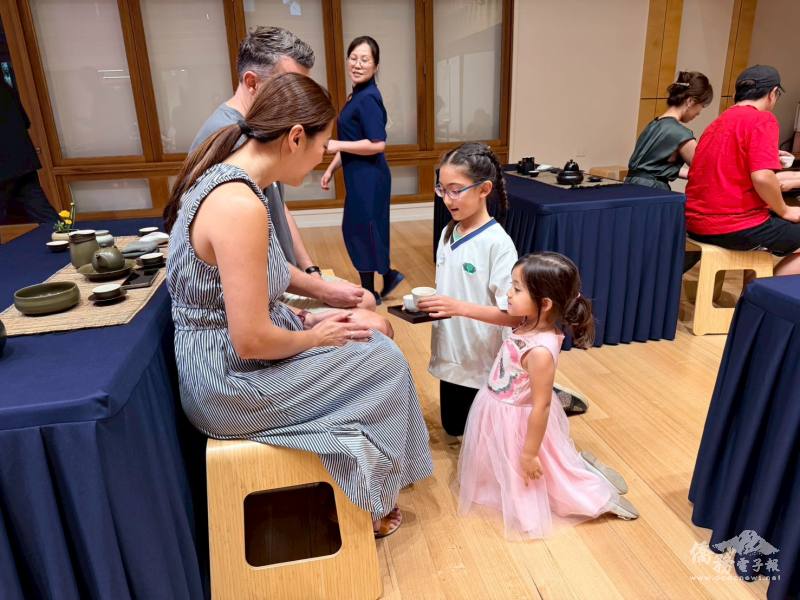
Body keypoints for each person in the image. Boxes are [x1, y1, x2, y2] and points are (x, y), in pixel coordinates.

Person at [164, 72, 433, 537]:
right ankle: (363, 494)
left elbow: (257, 278)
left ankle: (368, 480)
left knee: (370, 333)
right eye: (322, 146)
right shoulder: (238, 204)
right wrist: (315, 336)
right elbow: (250, 341)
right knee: (382, 361)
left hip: (232, 359)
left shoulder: (237, 181)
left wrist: (314, 307)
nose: (322, 157)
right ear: (294, 138)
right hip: (226, 382)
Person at [456, 252, 639, 539]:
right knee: (510, 467)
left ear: (545, 303)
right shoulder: (525, 320)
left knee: (542, 476)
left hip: (520, 418)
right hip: (499, 406)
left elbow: (541, 406)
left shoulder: (540, 351)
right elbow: (498, 316)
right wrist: (459, 307)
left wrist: (530, 453)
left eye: (517, 289)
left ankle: (598, 496)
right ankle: (581, 466)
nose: (509, 293)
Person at [190, 26, 372, 310]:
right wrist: (317, 298)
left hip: (279, 278)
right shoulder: (235, 143)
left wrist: (311, 270)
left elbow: (278, 205)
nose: (300, 100)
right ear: (252, 83)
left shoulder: (263, 133)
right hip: (258, 292)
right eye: (289, 87)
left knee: (365, 304)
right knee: (367, 309)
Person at [416, 143, 589, 439]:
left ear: (484, 189)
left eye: (455, 190)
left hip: (484, 356)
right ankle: (534, 387)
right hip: (453, 349)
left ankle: (543, 391)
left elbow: (515, 316)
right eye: (441, 189)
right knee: (453, 427)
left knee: (487, 432)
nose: (447, 199)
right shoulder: (448, 232)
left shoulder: (497, 244)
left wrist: (458, 307)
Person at [685, 65, 800, 276]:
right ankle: (763, 292)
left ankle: (757, 288)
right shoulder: (762, 119)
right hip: (733, 226)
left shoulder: (717, 123)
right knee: (779, 220)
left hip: (695, 224)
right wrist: (785, 210)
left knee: (768, 224)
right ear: (773, 93)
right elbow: (763, 177)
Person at [321, 36, 405, 305]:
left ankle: (372, 289)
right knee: (364, 228)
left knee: (361, 229)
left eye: (365, 59)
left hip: (370, 176)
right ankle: (386, 277)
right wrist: (332, 168)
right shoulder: (357, 94)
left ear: (376, 65)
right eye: (354, 58)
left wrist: (336, 145)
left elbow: (377, 144)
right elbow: (354, 139)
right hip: (358, 175)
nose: (357, 64)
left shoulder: (368, 97)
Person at [625, 71, 713, 190]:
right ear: (690, 101)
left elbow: (655, 168)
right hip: (652, 191)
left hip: (630, 187)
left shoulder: (653, 125)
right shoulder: (680, 134)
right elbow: (704, 170)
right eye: (701, 106)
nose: (699, 113)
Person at [0, 81, 58, 225]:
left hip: (4, 164)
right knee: (41, 211)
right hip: (22, 159)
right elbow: (25, 121)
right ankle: (66, 237)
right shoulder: (4, 86)